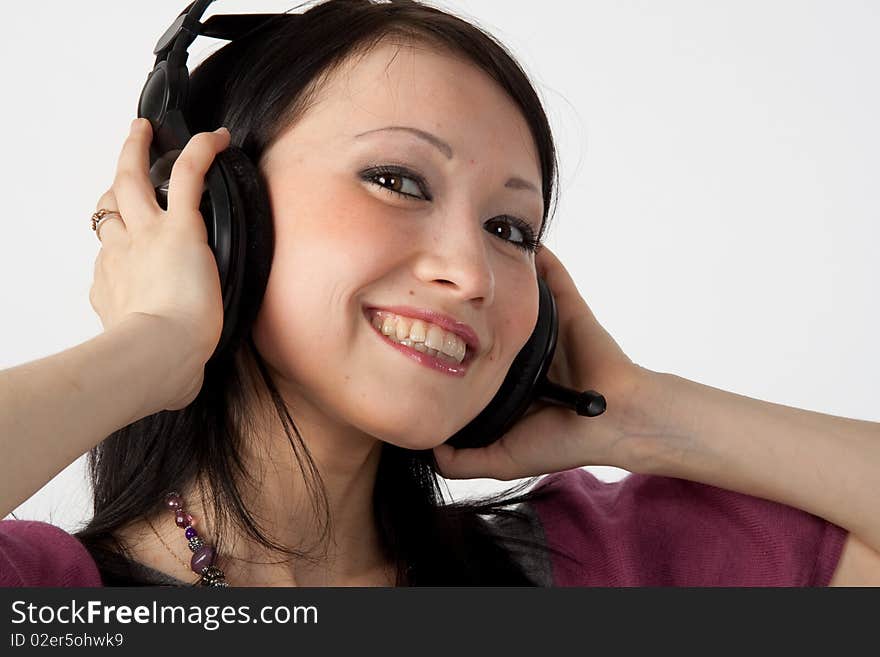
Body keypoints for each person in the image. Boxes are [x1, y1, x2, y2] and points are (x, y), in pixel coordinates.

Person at [1, 0, 878, 587]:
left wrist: (638, 414)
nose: (472, 272)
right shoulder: (48, 597)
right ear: (218, 218)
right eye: (397, 179)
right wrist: (152, 346)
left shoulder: (582, 569)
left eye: (511, 230)